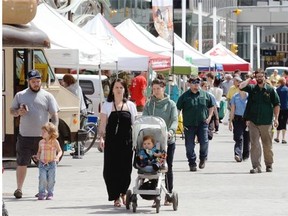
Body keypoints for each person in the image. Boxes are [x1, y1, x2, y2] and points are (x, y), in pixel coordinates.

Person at [10, 69, 59, 199]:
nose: (36, 84)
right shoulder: (20, 95)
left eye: (38, 81)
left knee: (45, 165)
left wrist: (54, 131)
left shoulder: (48, 96)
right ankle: (19, 189)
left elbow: (54, 115)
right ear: (28, 82)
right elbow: (11, 111)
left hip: (42, 138)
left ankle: (44, 190)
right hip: (25, 135)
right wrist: (18, 113)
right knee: (21, 162)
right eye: (33, 81)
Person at [99, 78, 137, 207]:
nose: (119, 90)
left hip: (126, 142)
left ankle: (123, 193)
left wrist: (137, 141)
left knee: (125, 169)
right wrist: (101, 138)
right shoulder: (107, 105)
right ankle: (115, 196)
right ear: (112, 90)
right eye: (116, 87)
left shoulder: (131, 105)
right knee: (109, 170)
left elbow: (135, 124)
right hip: (111, 142)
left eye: (121, 87)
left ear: (125, 89)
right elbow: (103, 124)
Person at [142, 77, 178, 205]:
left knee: (167, 167)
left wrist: (171, 131)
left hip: (167, 141)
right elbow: (144, 119)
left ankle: (168, 193)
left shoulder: (171, 104)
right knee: (153, 167)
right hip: (152, 142)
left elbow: (174, 120)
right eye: (154, 89)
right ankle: (154, 194)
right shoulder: (149, 104)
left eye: (158, 88)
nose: (156, 91)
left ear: (163, 88)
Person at [239, 68, 280, 173]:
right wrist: (250, 77)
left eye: (261, 76)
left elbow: (276, 104)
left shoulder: (270, 90)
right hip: (253, 121)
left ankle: (269, 164)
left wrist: (276, 118)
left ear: (265, 77)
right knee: (254, 144)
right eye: (257, 77)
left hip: (266, 122)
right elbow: (241, 86)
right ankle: (256, 166)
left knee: (267, 145)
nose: (259, 78)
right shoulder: (252, 88)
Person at [176, 76, 214, 172]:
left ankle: (202, 158)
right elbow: (178, 109)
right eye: (193, 83)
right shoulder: (184, 96)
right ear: (189, 84)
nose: (195, 85)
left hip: (203, 123)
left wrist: (209, 117)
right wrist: (175, 121)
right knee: (189, 145)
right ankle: (192, 162)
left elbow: (211, 106)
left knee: (204, 142)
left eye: (197, 83)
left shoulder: (205, 95)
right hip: (189, 124)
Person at [33, 122, 62, 200]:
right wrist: (37, 156)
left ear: (50, 133)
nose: (42, 133)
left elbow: (60, 151)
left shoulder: (55, 141)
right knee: (42, 178)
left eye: (44, 132)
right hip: (42, 163)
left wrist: (57, 157)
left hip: (52, 163)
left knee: (51, 179)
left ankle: (50, 193)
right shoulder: (41, 142)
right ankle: (42, 192)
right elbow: (39, 151)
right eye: (42, 131)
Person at [229, 89, 250, 162]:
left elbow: (251, 109)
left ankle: (245, 155)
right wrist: (230, 122)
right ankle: (237, 154)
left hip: (248, 119)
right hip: (237, 119)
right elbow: (232, 109)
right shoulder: (235, 97)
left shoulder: (249, 96)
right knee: (238, 137)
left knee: (247, 138)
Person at [274, 77, 288, 144]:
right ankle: (283, 138)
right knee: (284, 122)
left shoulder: (277, 90)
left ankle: (277, 137)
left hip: (279, 107)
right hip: (286, 108)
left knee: (278, 121)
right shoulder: (287, 89)